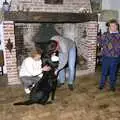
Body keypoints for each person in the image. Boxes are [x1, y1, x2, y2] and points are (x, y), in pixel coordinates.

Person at [98, 19, 120, 91]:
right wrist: (99, 38)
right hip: (106, 56)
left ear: (117, 26)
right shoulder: (105, 34)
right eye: (111, 26)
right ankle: (101, 84)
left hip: (115, 58)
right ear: (109, 27)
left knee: (113, 73)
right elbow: (100, 43)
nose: (112, 27)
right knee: (104, 72)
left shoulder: (119, 35)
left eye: (114, 25)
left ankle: (112, 86)